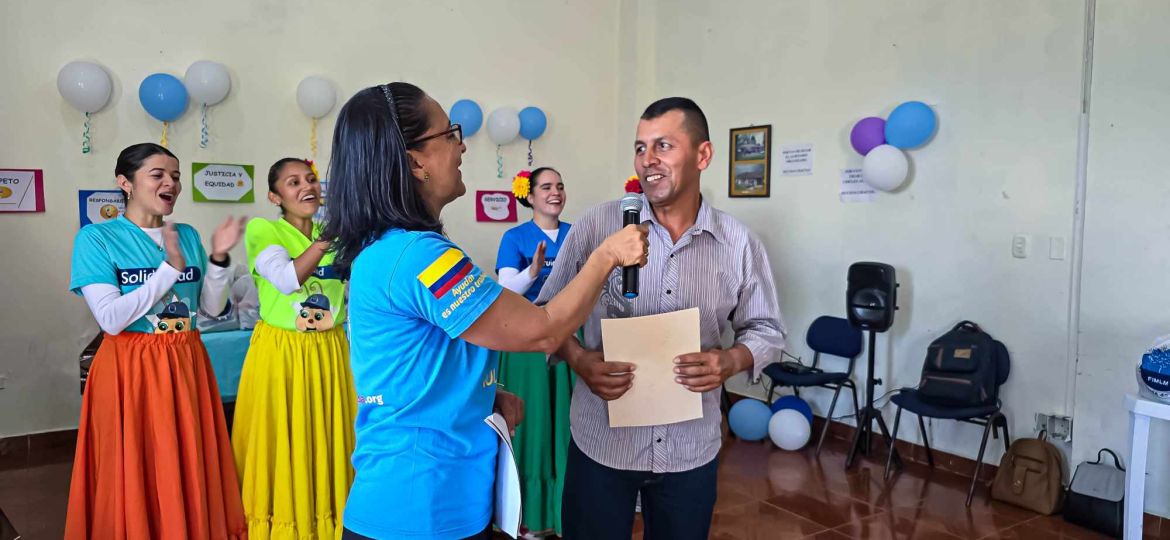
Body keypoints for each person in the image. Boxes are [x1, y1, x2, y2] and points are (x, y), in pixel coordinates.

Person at [319, 82, 648, 540]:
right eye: (450, 133)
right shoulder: (419, 256)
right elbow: (543, 331)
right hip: (420, 509)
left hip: (429, 496)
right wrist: (607, 255)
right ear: (415, 160)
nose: (462, 145)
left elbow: (413, 366)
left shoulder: (392, 250)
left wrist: (478, 398)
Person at [537, 97, 788, 540]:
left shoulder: (738, 243)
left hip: (690, 449)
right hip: (603, 442)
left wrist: (730, 361)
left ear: (703, 155)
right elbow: (547, 315)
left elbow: (767, 329)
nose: (647, 161)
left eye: (664, 146)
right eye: (640, 147)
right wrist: (579, 360)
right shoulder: (599, 226)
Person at [66, 142, 247, 539]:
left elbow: (212, 310)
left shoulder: (186, 234)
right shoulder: (96, 239)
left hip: (186, 363)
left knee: (187, 460)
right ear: (124, 183)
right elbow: (112, 320)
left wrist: (217, 260)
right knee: (137, 464)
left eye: (177, 176)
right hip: (131, 368)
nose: (172, 183)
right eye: (158, 174)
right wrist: (168, 269)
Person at [232, 157, 356, 539]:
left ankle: (334, 522)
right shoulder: (263, 229)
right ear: (275, 196)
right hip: (284, 352)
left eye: (311, 179)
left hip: (331, 349)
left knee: (332, 437)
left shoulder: (333, 233)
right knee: (286, 441)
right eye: (292, 182)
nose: (307, 186)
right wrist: (326, 242)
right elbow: (287, 279)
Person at [495, 168, 574, 537]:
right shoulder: (515, 238)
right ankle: (529, 517)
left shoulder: (577, 234)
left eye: (559, 186)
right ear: (529, 195)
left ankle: (566, 511)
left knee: (568, 427)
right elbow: (505, 289)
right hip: (528, 345)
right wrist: (533, 272)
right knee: (535, 428)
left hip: (570, 341)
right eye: (546, 186)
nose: (555, 192)